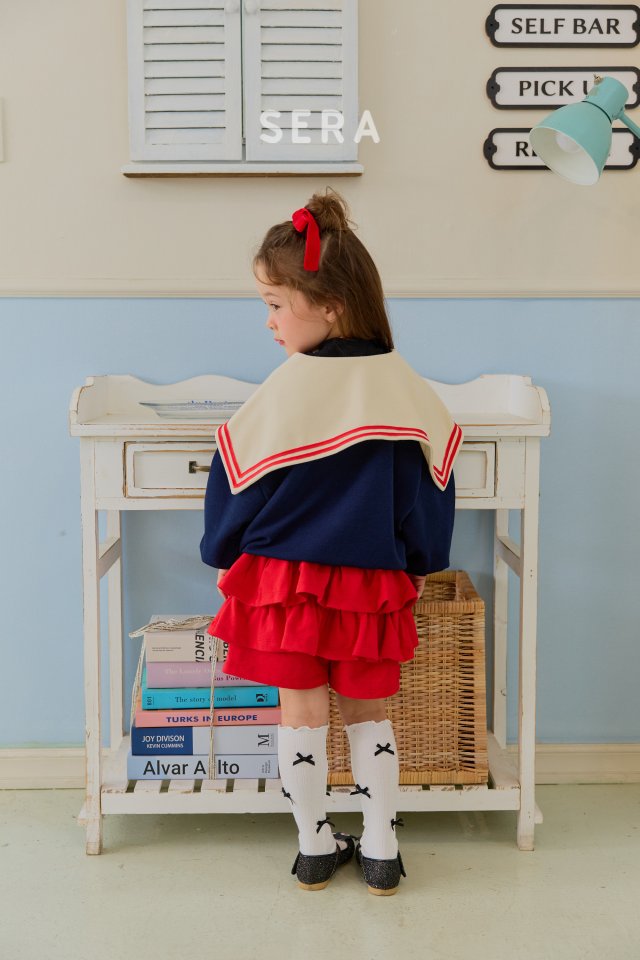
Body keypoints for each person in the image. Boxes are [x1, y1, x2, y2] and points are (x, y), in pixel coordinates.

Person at [199, 186, 462, 896]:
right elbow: (430, 484)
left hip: (283, 581)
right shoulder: (401, 387)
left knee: (300, 712)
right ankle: (381, 850)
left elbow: (236, 479)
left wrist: (223, 550)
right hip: (369, 580)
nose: (269, 322)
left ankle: (314, 847)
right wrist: (420, 561)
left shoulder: (285, 389)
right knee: (369, 713)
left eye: (275, 304)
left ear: (331, 306)